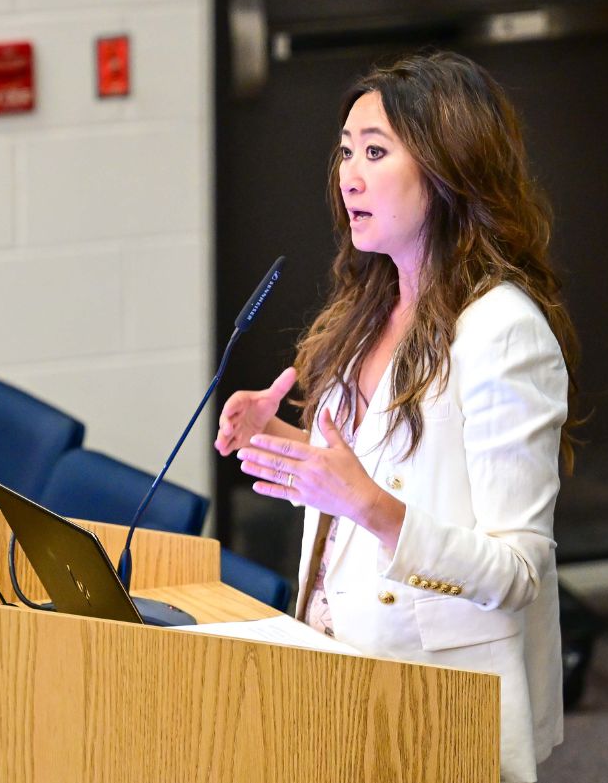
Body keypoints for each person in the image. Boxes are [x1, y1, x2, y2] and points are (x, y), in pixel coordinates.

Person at [214, 50, 580, 783]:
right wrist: (280, 443)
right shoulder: (371, 305)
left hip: (435, 710)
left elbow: (519, 571)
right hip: (343, 675)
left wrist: (371, 506)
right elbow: (363, 479)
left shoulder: (502, 331)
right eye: (346, 151)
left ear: (449, 170)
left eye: (376, 152)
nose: (349, 174)